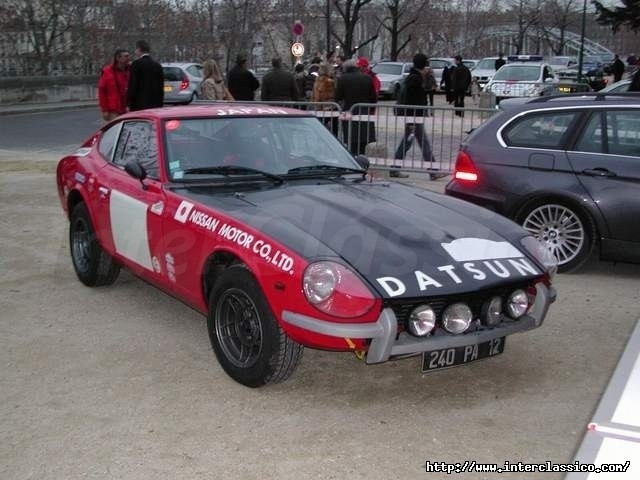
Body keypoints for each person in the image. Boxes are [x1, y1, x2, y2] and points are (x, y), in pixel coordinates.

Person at [394, 53, 443, 179]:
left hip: (413, 116)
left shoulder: (414, 77)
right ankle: (433, 171)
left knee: (408, 142)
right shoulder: (415, 79)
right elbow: (415, 98)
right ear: (423, 65)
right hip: (414, 116)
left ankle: (395, 167)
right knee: (421, 143)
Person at [335, 59, 377, 155]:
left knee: (351, 141)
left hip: (349, 112)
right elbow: (373, 97)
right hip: (365, 113)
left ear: (345, 69)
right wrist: (371, 109)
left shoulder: (342, 79)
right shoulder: (367, 78)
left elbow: (338, 96)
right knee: (365, 140)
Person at [127, 40, 164, 111]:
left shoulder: (136, 64)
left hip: (139, 103)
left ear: (139, 49)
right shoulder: (157, 65)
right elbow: (160, 85)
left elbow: (133, 84)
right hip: (155, 103)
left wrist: (129, 101)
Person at [98, 48, 130, 122]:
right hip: (113, 110)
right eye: (125, 56)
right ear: (118, 58)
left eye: (128, 56)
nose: (128, 58)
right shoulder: (107, 71)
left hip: (127, 108)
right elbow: (102, 91)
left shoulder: (131, 70)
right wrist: (104, 110)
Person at [312, 62, 338, 134]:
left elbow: (315, 94)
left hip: (318, 106)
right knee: (334, 128)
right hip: (329, 107)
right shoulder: (330, 82)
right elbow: (333, 94)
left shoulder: (316, 81)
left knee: (320, 128)